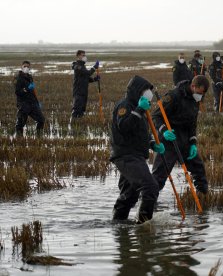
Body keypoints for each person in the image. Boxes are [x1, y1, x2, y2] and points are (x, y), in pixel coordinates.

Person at [110, 75, 165, 223]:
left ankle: (118, 223)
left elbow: (141, 133)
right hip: (125, 156)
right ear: (138, 90)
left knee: (130, 194)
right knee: (150, 186)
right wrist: (139, 110)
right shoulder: (125, 105)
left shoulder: (141, 108)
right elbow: (125, 127)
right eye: (146, 90)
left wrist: (152, 143)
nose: (149, 93)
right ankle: (144, 225)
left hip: (136, 155)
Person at [151, 75, 210, 194]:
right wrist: (164, 131)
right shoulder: (174, 96)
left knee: (198, 169)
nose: (201, 96)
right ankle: (148, 203)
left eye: (203, 94)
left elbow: (193, 123)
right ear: (193, 86)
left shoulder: (195, 99)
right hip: (168, 140)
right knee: (159, 175)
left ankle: (202, 196)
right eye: (200, 93)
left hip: (185, 140)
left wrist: (193, 142)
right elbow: (156, 116)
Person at [14, 61, 45, 136]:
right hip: (23, 104)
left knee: (41, 120)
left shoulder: (30, 77)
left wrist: (37, 102)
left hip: (32, 103)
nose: (26, 68)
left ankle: (39, 136)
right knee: (20, 124)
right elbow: (17, 92)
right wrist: (26, 89)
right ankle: (19, 140)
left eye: (28, 67)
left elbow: (33, 91)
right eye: (25, 66)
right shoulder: (18, 78)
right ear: (21, 67)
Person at [71, 50, 100, 118]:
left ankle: (79, 122)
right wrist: (94, 67)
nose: (85, 57)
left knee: (82, 109)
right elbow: (87, 73)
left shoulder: (83, 66)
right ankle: (73, 123)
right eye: (83, 55)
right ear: (78, 56)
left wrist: (95, 79)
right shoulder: (77, 66)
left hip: (84, 91)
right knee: (77, 109)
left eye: (85, 55)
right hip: (78, 91)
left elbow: (86, 77)